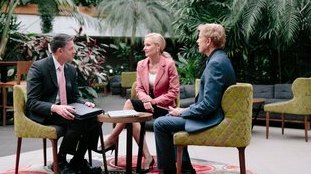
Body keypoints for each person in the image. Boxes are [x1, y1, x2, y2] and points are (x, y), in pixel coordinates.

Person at [154, 23, 236, 174]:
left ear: (208, 41)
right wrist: (184, 110)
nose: (197, 41)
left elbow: (209, 105)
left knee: (160, 123)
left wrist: (183, 112)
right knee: (168, 117)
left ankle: (169, 170)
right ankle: (185, 168)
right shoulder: (219, 59)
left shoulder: (216, 63)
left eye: (199, 37)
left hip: (211, 117)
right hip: (212, 113)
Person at [99, 33, 179, 173]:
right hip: (147, 104)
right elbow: (139, 88)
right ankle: (147, 157)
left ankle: (112, 139)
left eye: (148, 45)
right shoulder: (141, 64)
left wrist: (152, 101)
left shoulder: (169, 65)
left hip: (164, 106)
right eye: (144, 45)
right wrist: (146, 100)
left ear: (158, 46)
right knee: (130, 106)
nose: (144, 48)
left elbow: (173, 92)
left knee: (130, 110)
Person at [26, 34, 102, 174]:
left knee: (95, 119)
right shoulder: (39, 67)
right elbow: (31, 102)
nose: (75, 51)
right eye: (71, 48)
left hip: (67, 109)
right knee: (77, 121)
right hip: (47, 112)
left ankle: (77, 160)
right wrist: (55, 108)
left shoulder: (70, 70)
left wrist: (85, 103)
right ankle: (60, 160)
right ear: (60, 51)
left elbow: (75, 97)